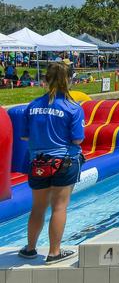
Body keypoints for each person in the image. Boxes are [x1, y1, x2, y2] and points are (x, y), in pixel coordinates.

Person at [18, 62, 84, 264]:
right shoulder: (73, 107)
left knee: (38, 207)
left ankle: (30, 249)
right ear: (70, 81)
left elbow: (25, 137)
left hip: (38, 162)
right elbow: (77, 139)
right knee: (59, 207)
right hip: (64, 161)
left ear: (45, 80)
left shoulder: (33, 106)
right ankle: (54, 252)